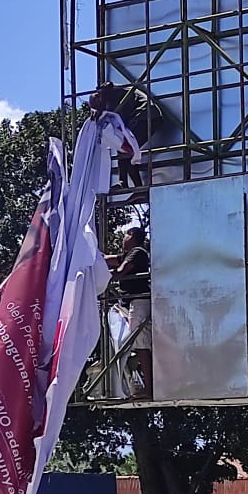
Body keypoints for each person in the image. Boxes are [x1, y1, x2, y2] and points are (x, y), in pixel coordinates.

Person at [88, 81, 163, 198]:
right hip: (145, 116)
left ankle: (132, 186)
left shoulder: (111, 96)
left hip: (145, 116)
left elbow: (117, 121)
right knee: (124, 148)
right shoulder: (112, 96)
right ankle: (128, 184)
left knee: (126, 148)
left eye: (98, 106)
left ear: (99, 98)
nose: (100, 109)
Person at [105, 227, 151, 398]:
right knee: (136, 343)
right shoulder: (129, 255)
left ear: (131, 236)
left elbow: (120, 271)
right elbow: (107, 260)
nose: (123, 238)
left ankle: (148, 387)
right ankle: (145, 384)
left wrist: (101, 277)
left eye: (125, 235)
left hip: (139, 301)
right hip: (132, 302)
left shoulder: (137, 252)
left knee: (141, 343)